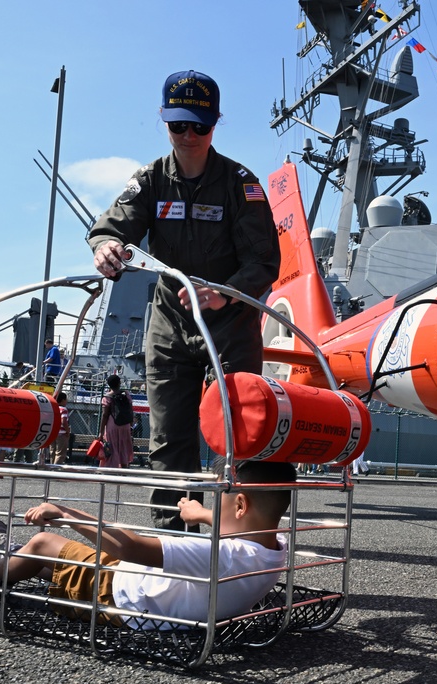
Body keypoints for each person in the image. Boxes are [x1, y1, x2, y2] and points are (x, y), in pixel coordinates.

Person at [88, 70, 280, 531]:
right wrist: (106, 246)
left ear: (215, 123)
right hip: (170, 325)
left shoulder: (240, 184)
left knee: (237, 435)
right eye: (179, 125)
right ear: (164, 121)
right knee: (169, 439)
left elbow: (264, 261)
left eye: (200, 125)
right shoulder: (151, 180)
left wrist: (226, 293)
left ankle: (239, 537)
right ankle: (171, 542)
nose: (189, 135)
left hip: (230, 327)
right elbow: (113, 226)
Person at [0, 459, 295, 628]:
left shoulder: (224, 556)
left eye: (221, 500)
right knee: (55, 562)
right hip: (145, 588)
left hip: (123, 595)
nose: (215, 507)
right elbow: (245, 527)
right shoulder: (274, 546)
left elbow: (131, 548)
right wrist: (202, 514)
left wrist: (64, 512)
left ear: (242, 504)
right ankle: (14, 557)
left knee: (44, 542)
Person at [98, 375, 133, 469]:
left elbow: (105, 415)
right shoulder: (126, 394)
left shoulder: (107, 397)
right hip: (125, 425)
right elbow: (130, 410)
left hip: (112, 425)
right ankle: (124, 469)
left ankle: (111, 469)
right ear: (119, 383)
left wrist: (101, 432)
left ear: (109, 385)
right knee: (123, 447)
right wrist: (131, 424)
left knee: (112, 448)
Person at [51, 392, 70, 464]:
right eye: (66, 399)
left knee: (52, 452)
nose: (66, 401)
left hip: (53, 433)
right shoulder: (64, 409)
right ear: (62, 400)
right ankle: (55, 469)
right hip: (62, 433)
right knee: (60, 453)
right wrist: (67, 431)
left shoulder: (54, 408)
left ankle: (51, 467)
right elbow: (64, 421)